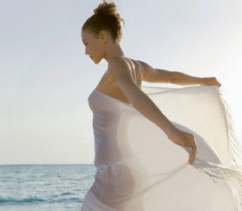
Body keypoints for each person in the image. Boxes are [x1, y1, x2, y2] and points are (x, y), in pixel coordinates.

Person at [80, 1, 242, 210]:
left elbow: (136, 96)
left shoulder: (117, 64)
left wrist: (170, 130)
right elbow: (172, 77)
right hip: (126, 169)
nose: (85, 51)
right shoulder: (136, 66)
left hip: (114, 172)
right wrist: (202, 80)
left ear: (103, 37)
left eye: (86, 42)